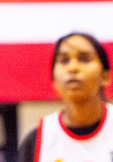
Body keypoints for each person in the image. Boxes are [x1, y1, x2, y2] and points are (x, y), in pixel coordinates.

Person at [20, 33, 112, 161]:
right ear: (54, 81)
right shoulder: (36, 141)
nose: (72, 68)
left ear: (105, 77)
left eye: (84, 59)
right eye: (64, 60)